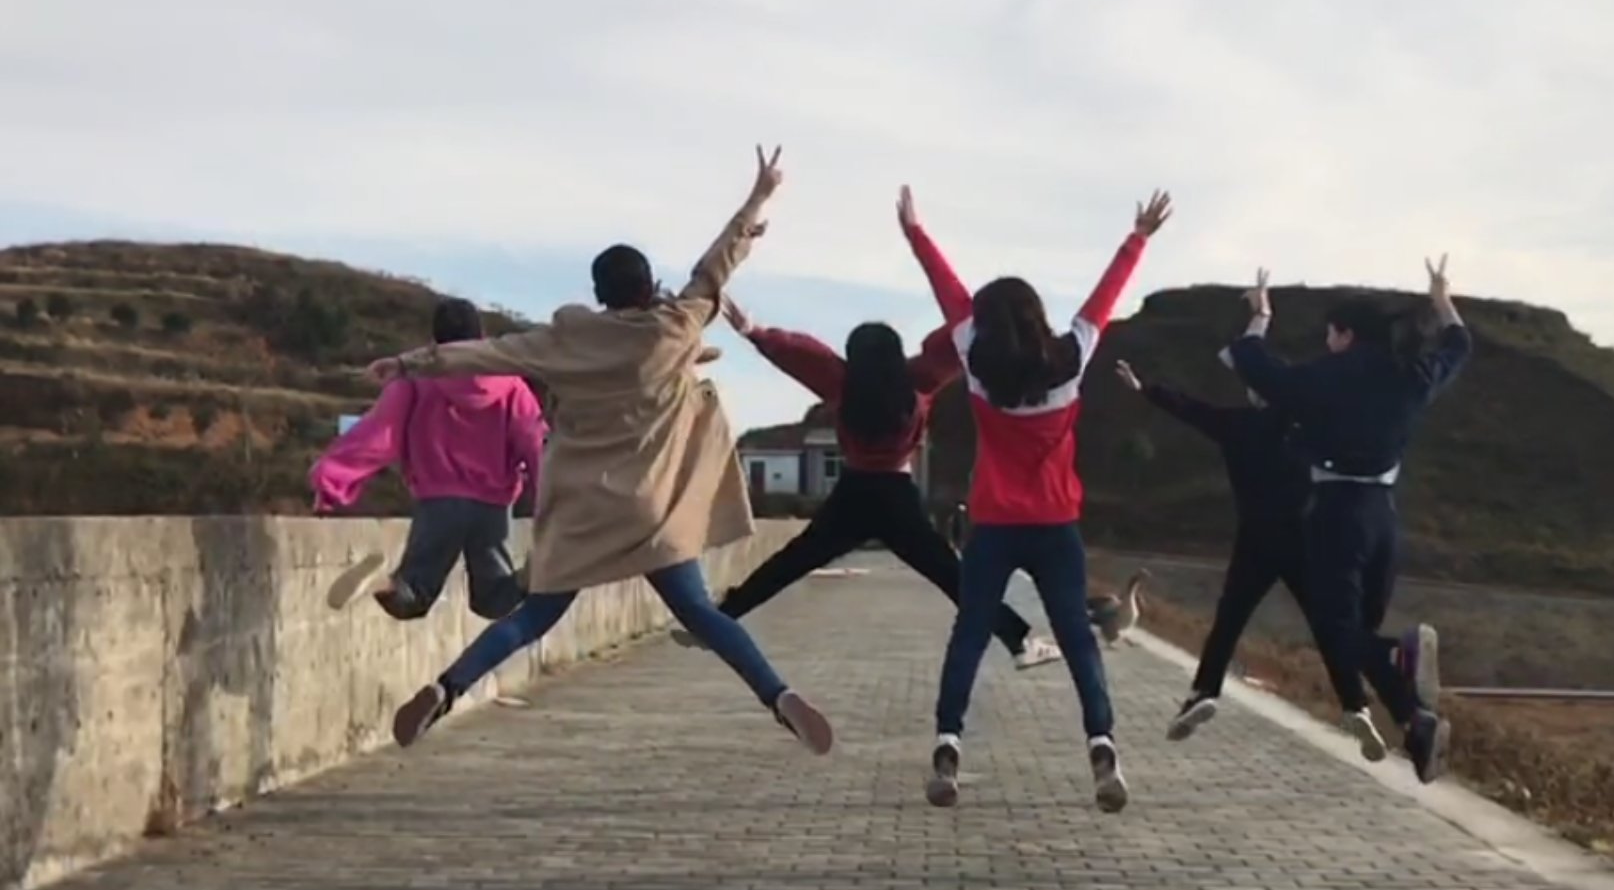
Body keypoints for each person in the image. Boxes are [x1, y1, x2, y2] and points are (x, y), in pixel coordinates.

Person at [364, 145, 834, 757]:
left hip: (585, 511)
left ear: (598, 292)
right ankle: (778, 695)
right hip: (652, 512)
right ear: (648, 285)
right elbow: (714, 269)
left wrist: (408, 363)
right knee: (701, 613)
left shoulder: (566, 340)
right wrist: (758, 198)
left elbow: (489, 352)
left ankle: (446, 687)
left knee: (531, 619)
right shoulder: (674, 328)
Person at [903, 184, 1174, 813]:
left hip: (994, 527)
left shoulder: (975, 362)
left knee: (971, 635)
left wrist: (916, 233)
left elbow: (949, 292)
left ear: (989, 324)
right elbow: (1105, 298)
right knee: (1078, 639)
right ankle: (1102, 746)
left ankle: (947, 747)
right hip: (1055, 526)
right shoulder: (1072, 357)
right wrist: (1137, 237)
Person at [704, 233, 1063, 669]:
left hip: (853, 492)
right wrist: (985, 312)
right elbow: (957, 336)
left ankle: (722, 617)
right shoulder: (918, 381)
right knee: (952, 576)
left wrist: (754, 331)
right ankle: (1020, 642)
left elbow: (803, 355)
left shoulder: (843, 383)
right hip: (897, 495)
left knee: (792, 560)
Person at [1225, 259, 1471, 783]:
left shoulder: (1321, 378)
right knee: (1355, 632)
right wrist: (1442, 300)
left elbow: (1252, 362)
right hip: (1385, 519)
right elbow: (1459, 345)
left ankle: (1400, 657)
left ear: (1345, 334)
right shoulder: (1412, 376)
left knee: (1338, 631)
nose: (1328, 341)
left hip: (1336, 514)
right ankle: (1416, 722)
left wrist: (1261, 316)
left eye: (1330, 333)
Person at [1107, 356, 1313, 741]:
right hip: (1302, 538)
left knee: (1228, 621)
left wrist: (1145, 388)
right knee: (1330, 620)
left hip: (1256, 538)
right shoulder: (1308, 427)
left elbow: (1192, 410)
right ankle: (1384, 689)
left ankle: (1204, 690)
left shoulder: (1239, 423)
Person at [313, 297, 545, 622]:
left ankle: (380, 583)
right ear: (481, 335)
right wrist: (551, 501)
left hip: (438, 501)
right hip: (492, 505)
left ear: (435, 339)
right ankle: (528, 577)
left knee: (413, 594)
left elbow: (379, 433)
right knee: (493, 600)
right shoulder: (511, 386)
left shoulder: (416, 379)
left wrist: (332, 476)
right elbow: (534, 444)